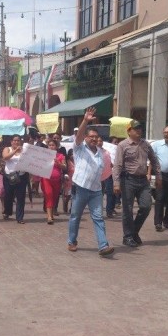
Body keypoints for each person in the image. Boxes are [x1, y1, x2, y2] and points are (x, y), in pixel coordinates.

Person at [67, 107, 114, 256]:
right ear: (86, 138)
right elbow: (79, 135)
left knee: (98, 217)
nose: (94, 139)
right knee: (76, 216)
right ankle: (72, 241)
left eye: (96, 137)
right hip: (80, 188)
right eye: (91, 136)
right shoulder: (79, 148)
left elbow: (104, 170)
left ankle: (103, 246)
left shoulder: (101, 152)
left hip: (96, 190)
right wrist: (85, 121)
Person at [113, 120, 162, 247]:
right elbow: (117, 165)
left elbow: (154, 160)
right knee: (128, 210)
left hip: (143, 180)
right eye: (136, 129)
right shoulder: (123, 145)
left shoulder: (145, 144)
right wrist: (116, 183)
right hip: (128, 180)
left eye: (140, 128)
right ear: (129, 131)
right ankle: (128, 236)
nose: (139, 131)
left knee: (146, 206)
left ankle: (134, 231)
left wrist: (158, 176)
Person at [2, 134, 29, 224]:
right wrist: (15, 151)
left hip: (21, 176)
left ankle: (20, 217)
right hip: (10, 176)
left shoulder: (24, 151)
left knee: (21, 197)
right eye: (14, 140)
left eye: (18, 140)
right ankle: (7, 212)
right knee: (8, 195)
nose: (16, 142)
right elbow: (5, 157)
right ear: (11, 141)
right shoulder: (7, 149)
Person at [42, 139, 67, 224]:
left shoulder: (61, 156)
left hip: (57, 180)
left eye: (53, 145)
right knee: (49, 195)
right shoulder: (44, 155)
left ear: (56, 147)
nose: (51, 147)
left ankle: (51, 214)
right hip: (46, 179)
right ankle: (49, 217)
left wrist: (58, 163)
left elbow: (64, 167)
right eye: (50, 145)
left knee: (54, 197)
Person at [97, 137, 116, 218]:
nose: (99, 142)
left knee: (110, 193)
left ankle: (109, 211)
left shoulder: (106, 152)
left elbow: (110, 162)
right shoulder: (91, 152)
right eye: (98, 141)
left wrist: (111, 165)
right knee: (98, 194)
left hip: (107, 175)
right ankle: (98, 211)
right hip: (96, 176)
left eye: (101, 140)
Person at [62, 148, 75, 213]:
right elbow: (64, 170)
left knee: (75, 196)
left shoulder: (78, 161)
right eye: (71, 154)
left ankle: (72, 208)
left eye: (74, 154)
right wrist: (65, 175)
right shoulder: (67, 161)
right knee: (69, 195)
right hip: (68, 180)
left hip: (76, 180)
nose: (73, 155)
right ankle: (65, 203)